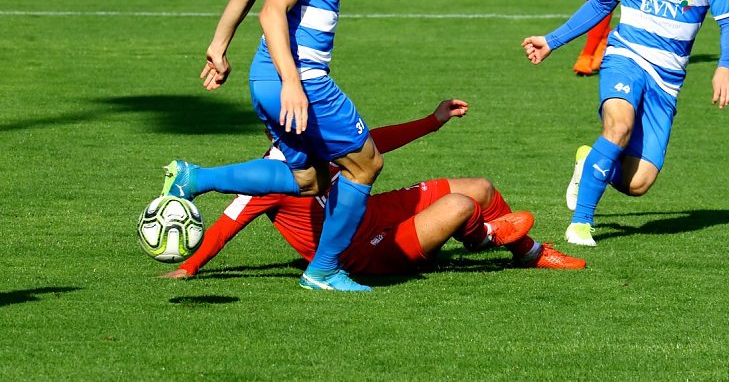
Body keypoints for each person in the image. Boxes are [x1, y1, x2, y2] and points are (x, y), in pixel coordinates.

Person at [161, 0, 383, 291]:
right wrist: (294, 83)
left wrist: (218, 47)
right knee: (365, 165)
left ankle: (194, 177)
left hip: (265, 77)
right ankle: (323, 271)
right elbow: (271, 10)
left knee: (309, 178)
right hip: (299, 80)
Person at [522, 0, 729, 247]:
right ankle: (581, 224)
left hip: (667, 80)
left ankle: (588, 160)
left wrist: (725, 65)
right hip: (625, 56)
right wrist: (552, 41)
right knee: (619, 126)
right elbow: (602, 3)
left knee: (638, 182)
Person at [161, 100, 586, 280]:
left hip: (377, 213)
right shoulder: (269, 176)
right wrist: (190, 267)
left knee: (479, 187)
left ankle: (520, 248)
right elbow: (228, 223)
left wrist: (432, 121)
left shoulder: (317, 140)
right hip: (363, 250)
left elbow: (374, 142)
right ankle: (490, 238)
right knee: (459, 205)